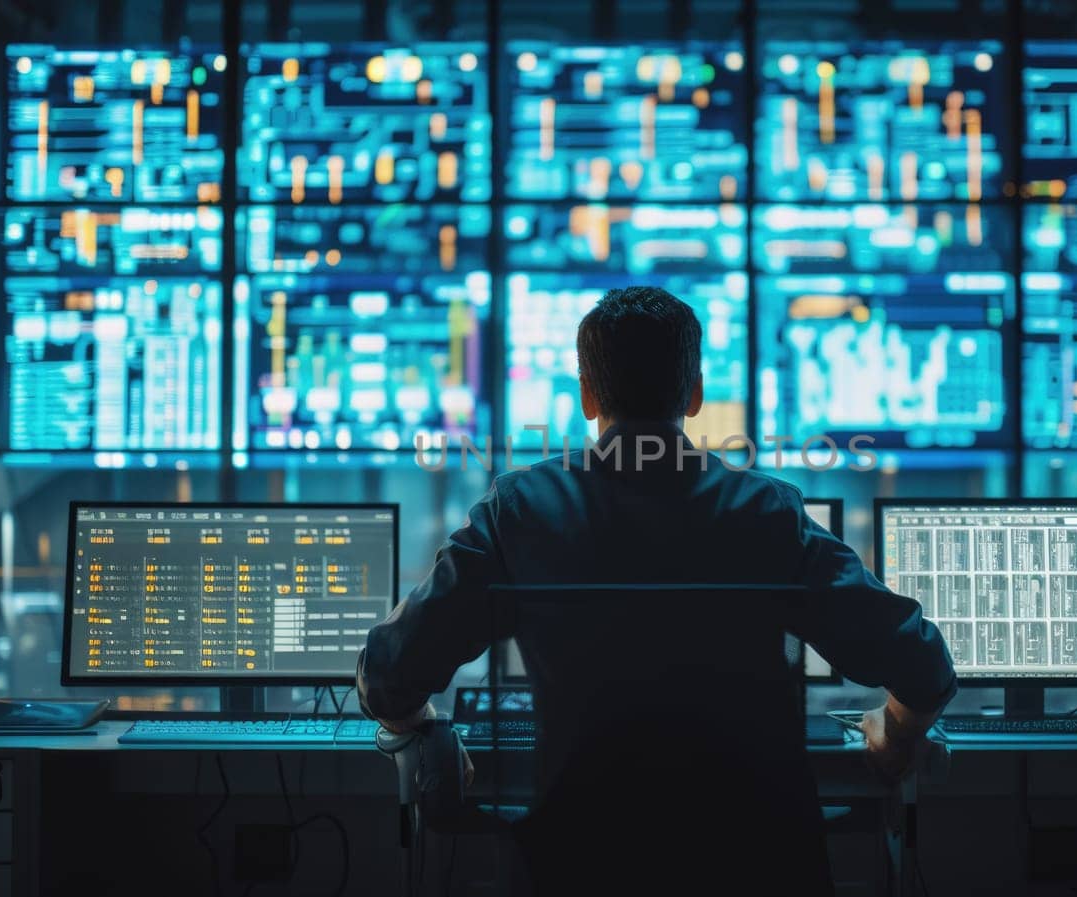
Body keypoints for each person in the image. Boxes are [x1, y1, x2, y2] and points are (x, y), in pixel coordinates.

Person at [358, 285, 956, 895]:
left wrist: (429, 728)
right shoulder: (767, 512)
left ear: (588, 395)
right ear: (695, 395)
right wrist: (895, 733)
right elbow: (925, 666)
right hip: (759, 865)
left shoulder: (519, 511)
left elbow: (388, 676)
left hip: (583, 864)